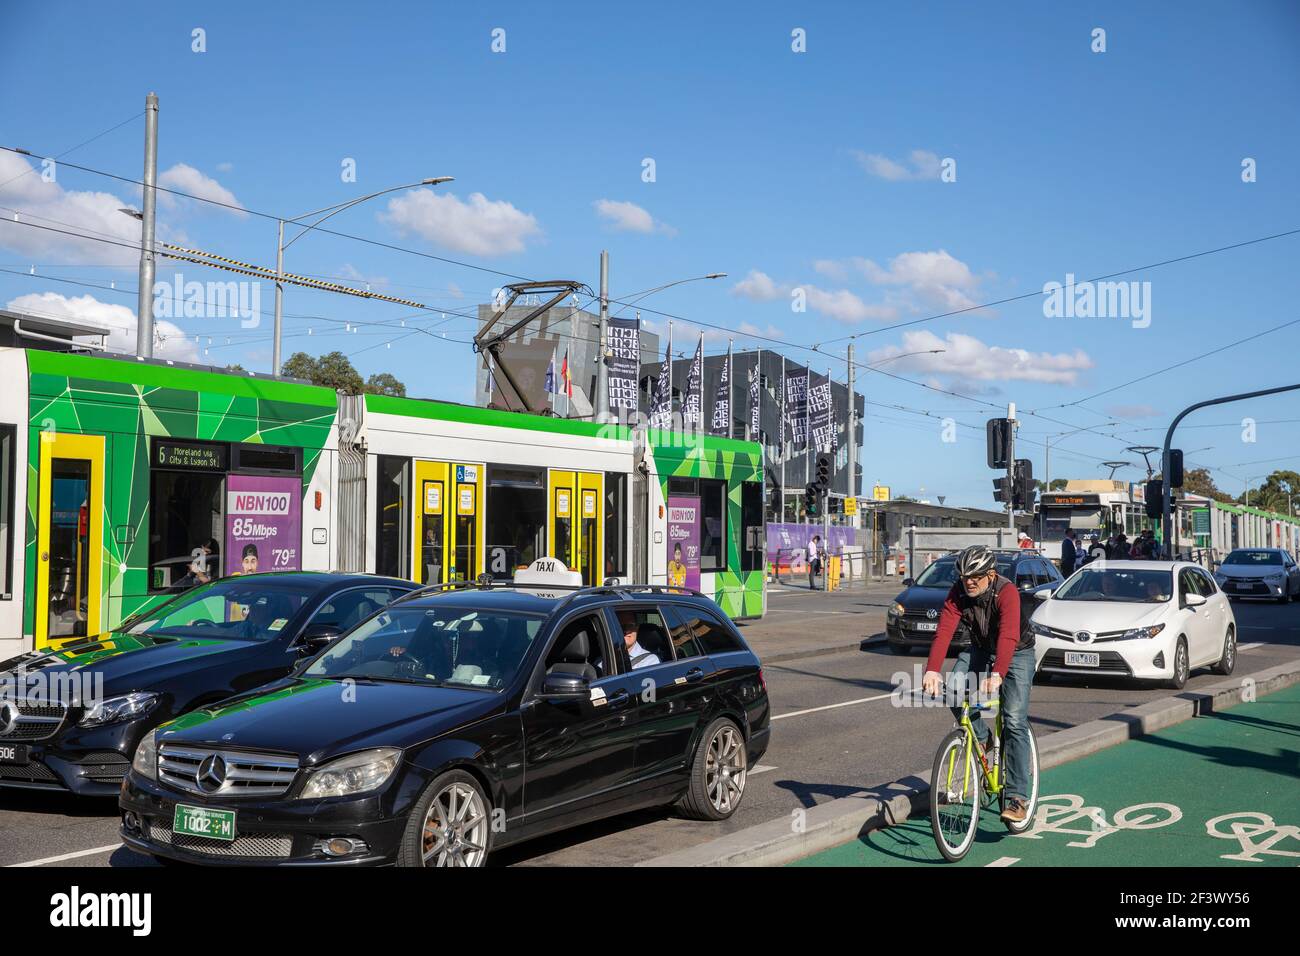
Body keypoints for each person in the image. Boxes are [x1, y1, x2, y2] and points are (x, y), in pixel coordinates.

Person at [921, 545, 1036, 824]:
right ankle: (983, 739)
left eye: (975, 576)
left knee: (1014, 720)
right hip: (981, 649)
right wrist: (933, 670)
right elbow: (944, 631)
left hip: (1018, 651)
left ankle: (1018, 798)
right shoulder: (958, 593)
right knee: (953, 692)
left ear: (991, 574)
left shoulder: (1006, 592)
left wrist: (998, 673)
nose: (969, 581)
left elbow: (1009, 635)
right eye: (964, 576)